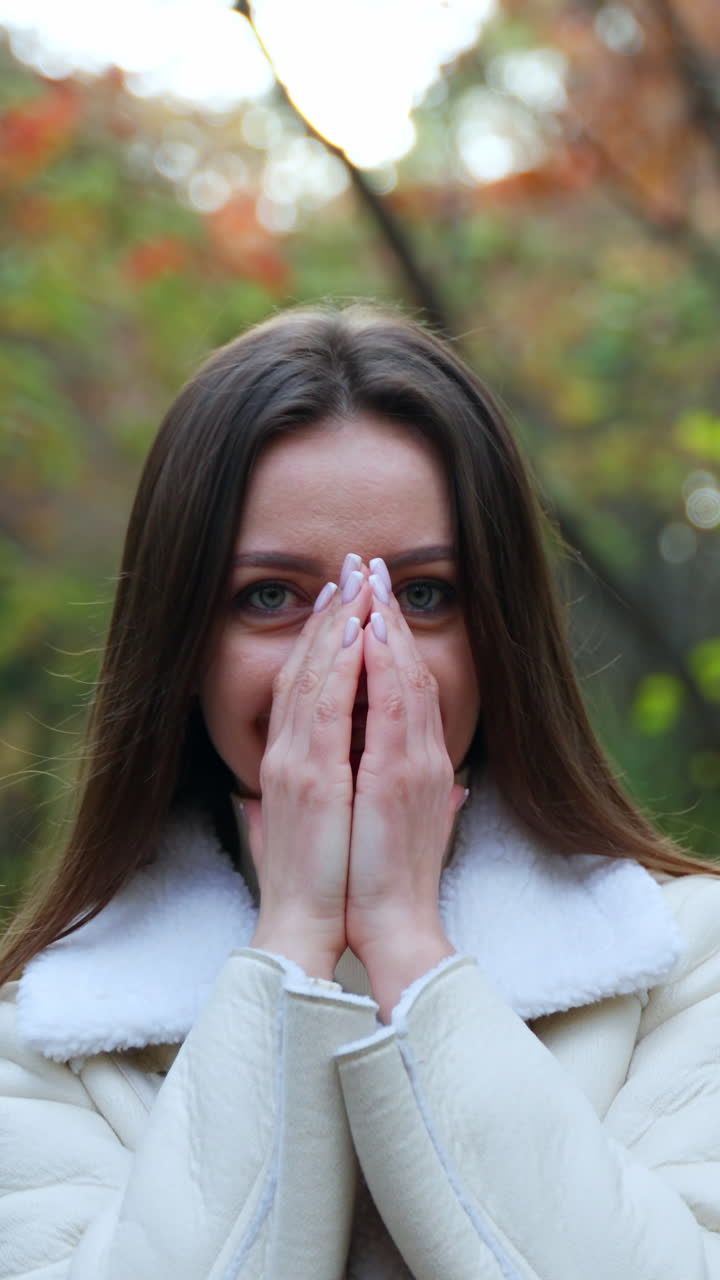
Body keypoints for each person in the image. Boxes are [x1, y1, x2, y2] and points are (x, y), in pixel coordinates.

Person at [0, 301, 718, 1280]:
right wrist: (293, 941)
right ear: (184, 646)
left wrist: (405, 942)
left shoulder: (688, 964)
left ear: (498, 636)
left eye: (422, 594)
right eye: (271, 596)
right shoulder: (42, 1033)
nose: (357, 653)